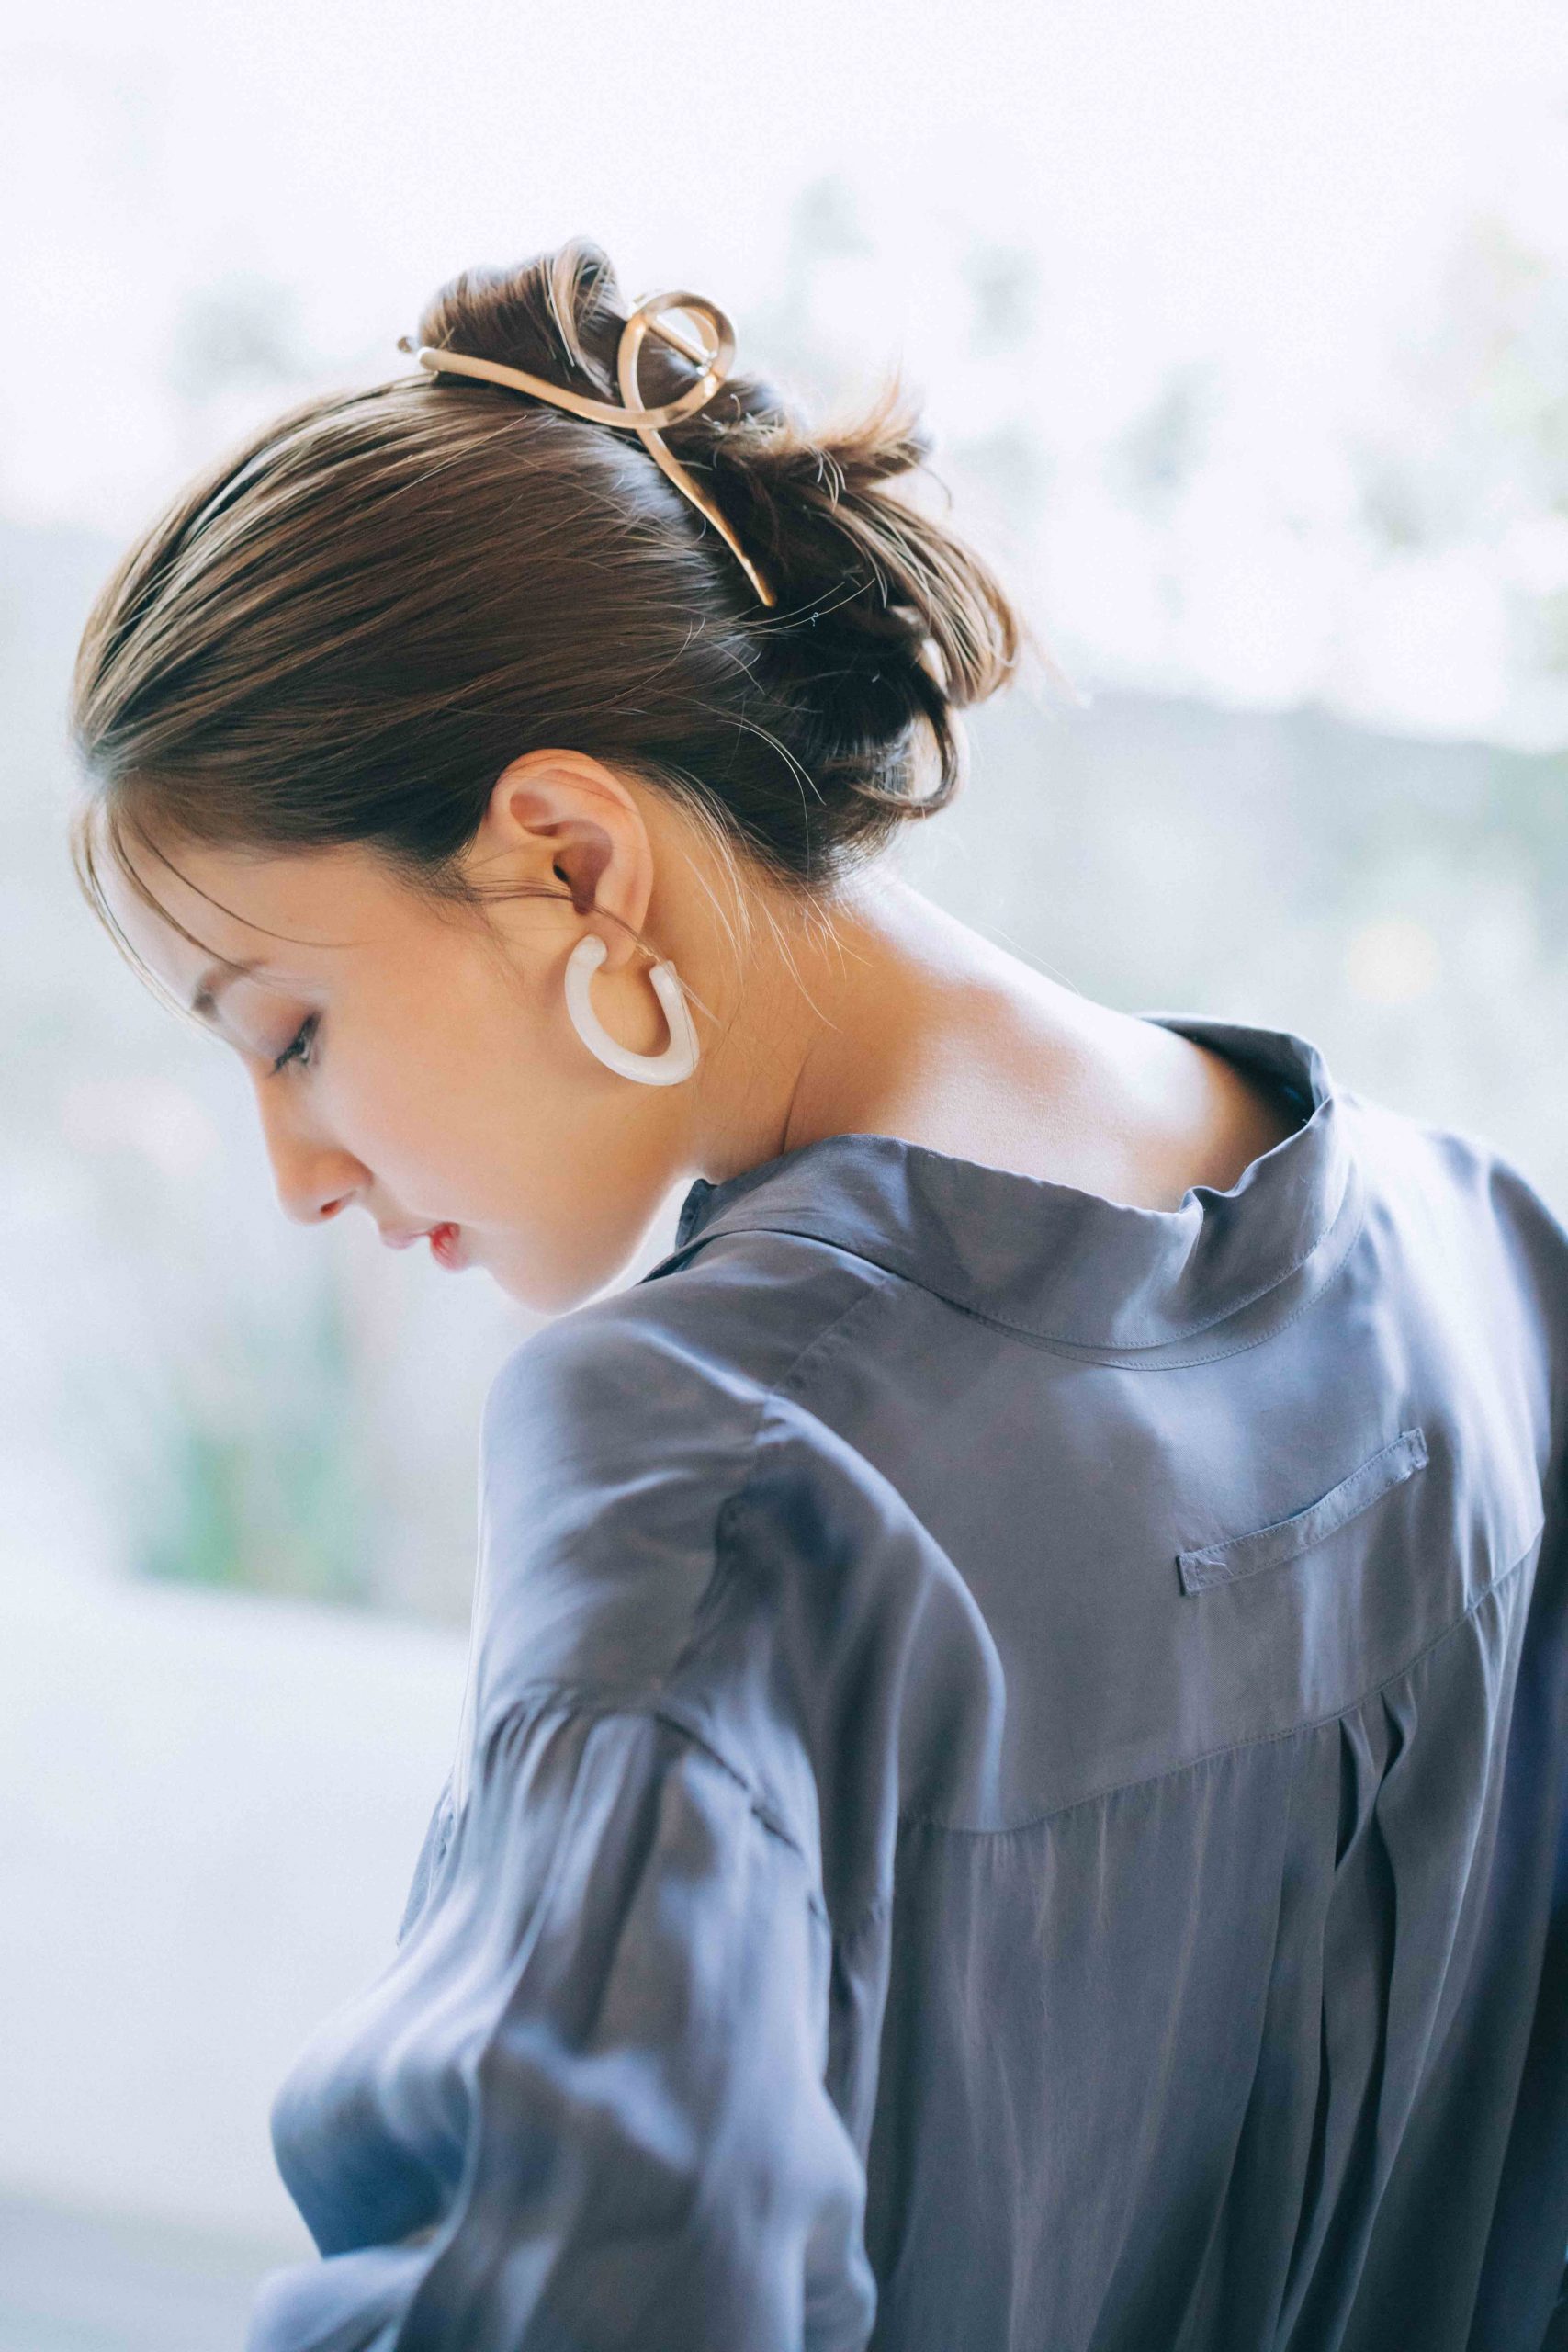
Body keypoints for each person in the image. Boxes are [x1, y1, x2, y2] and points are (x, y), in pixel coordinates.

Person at [67, 239, 1567, 2352]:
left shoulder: (714, 1464)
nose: (295, 1172)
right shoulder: (1480, 1251)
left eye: (288, 1029)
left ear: (573, 860)